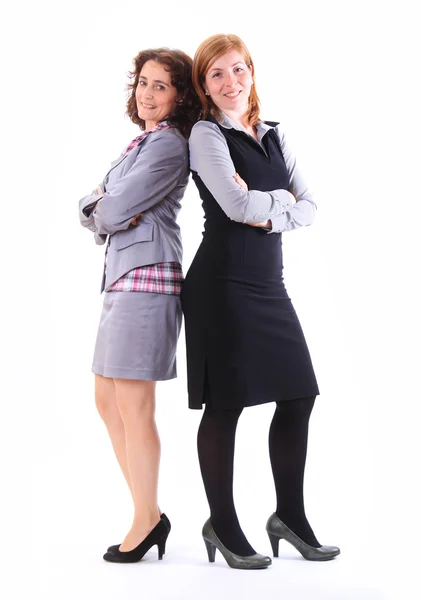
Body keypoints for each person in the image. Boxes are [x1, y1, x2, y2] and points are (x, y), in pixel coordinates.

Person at [181, 33, 340, 570]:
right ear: (204, 86)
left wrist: (269, 206)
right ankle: (222, 523)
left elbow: (312, 206)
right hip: (221, 285)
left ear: (251, 71)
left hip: (269, 285)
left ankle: (289, 517)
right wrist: (282, 204)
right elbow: (234, 205)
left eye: (237, 69)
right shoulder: (206, 134)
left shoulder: (274, 134)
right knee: (226, 405)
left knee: (299, 395)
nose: (231, 83)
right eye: (217, 75)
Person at [78, 48, 200, 564]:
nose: (147, 94)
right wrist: (101, 207)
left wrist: (104, 206)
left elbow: (114, 205)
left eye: (161, 86)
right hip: (123, 279)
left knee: (134, 406)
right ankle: (147, 511)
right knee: (107, 402)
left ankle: (145, 519)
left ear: (179, 97)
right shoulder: (140, 142)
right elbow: (94, 206)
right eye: (143, 83)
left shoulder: (169, 144)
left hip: (147, 282)